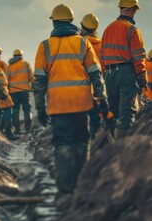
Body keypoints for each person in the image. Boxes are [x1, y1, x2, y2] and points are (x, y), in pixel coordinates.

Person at [33, 4, 108, 194]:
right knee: (82, 142)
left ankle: (65, 189)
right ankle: (81, 186)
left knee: (62, 145)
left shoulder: (45, 46)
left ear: (55, 22)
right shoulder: (83, 43)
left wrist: (40, 108)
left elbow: (40, 83)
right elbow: (95, 73)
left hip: (58, 106)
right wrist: (101, 96)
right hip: (81, 103)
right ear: (71, 21)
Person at [100, 0, 147, 139]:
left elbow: (102, 55)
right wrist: (141, 74)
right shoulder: (132, 30)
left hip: (109, 74)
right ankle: (121, 148)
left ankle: (112, 142)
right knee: (127, 111)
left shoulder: (107, 29)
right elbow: (138, 56)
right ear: (132, 10)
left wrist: (105, 73)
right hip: (126, 73)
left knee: (114, 111)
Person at [80, 13, 103, 140]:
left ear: (83, 28)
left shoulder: (80, 43)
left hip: (83, 86)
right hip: (99, 85)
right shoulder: (103, 44)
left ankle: (88, 141)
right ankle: (96, 139)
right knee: (98, 115)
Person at [7, 49, 34, 134]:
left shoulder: (9, 67)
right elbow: (32, 78)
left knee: (15, 111)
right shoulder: (26, 64)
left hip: (13, 92)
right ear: (21, 56)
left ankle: (17, 130)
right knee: (27, 109)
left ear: (14, 56)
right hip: (24, 91)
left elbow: (6, 80)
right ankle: (28, 128)